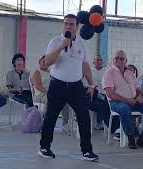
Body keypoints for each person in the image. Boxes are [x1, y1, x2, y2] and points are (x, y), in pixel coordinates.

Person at [38, 14, 98, 161]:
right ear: (62, 25)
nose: (68, 26)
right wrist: (61, 46)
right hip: (57, 85)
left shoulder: (81, 44)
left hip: (76, 87)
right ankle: (45, 148)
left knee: (84, 117)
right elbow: (46, 62)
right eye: (66, 24)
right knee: (51, 117)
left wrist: (91, 83)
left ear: (77, 27)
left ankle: (87, 151)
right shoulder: (55, 42)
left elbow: (85, 65)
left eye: (71, 24)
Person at [102, 50, 143, 149]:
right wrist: (127, 100)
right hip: (117, 102)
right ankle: (131, 137)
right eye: (117, 58)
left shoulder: (130, 73)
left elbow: (138, 89)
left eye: (122, 58)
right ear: (113, 60)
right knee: (124, 108)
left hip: (134, 101)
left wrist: (139, 96)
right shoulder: (109, 73)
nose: (119, 60)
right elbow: (110, 94)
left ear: (126, 61)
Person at [83, 55, 120, 136]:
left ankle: (116, 127)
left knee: (114, 105)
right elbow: (86, 85)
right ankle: (114, 128)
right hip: (94, 96)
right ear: (93, 62)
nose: (99, 62)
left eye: (100, 60)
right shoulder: (90, 71)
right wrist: (91, 87)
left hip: (106, 95)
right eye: (97, 60)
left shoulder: (106, 71)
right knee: (103, 106)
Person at [32, 55, 70, 130]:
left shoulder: (52, 72)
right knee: (50, 99)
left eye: (46, 61)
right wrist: (48, 92)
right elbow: (37, 86)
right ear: (39, 62)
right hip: (41, 94)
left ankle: (65, 123)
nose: (44, 63)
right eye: (43, 61)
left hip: (52, 93)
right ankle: (47, 123)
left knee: (64, 100)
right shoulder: (37, 72)